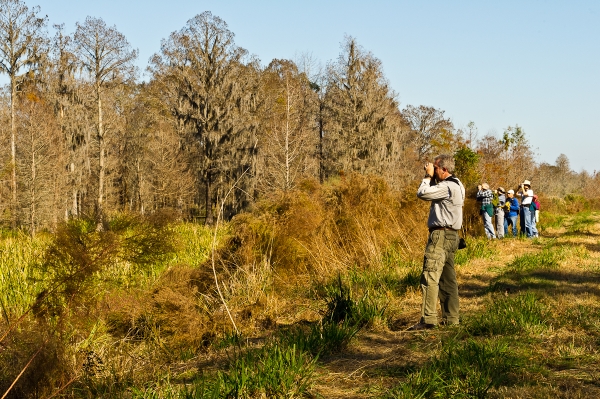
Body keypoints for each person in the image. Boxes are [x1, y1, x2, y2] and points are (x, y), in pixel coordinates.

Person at [409, 154, 465, 330]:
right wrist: (433, 176)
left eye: (436, 167)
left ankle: (428, 320)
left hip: (440, 236)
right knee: (448, 280)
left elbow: (422, 193)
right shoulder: (458, 184)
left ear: (444, 169)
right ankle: (451, 318)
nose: (433, 170)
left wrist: (427, 176)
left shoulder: (447, 186)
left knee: (430, 276)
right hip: (452, 236)